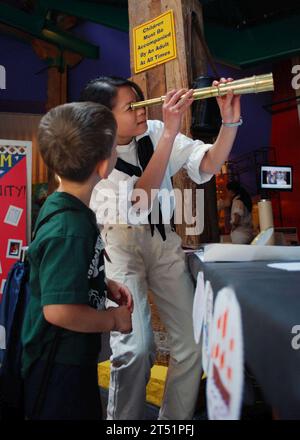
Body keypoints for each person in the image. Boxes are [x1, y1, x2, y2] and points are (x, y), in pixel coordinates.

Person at [81, 75, 241, 420]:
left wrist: (229, 122)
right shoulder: (95, 152)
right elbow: (139, 201)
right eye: (131, 107)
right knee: (136, 349)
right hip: (119, 243)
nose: (142, 113)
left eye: (141, 103)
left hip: (163, 240)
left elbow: (209, 164)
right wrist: (169, 133)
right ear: (105, 117)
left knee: (192, 345)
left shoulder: (154, 130)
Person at [21, 102, 133, 420]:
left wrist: (102, 283)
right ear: (103, 166)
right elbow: (59, 311)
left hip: (67, 358)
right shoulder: (69, 229)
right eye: (114, 147)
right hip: (58, 365)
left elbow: (59, 268)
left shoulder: (63, 207)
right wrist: (113, 320)